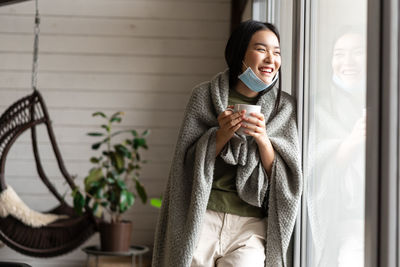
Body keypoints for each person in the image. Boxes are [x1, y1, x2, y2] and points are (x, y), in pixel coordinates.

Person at [152, 20, 302, 267]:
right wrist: (220, 134)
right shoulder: (204, 96)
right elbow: (184, 165)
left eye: (276, 52)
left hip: (250, 226)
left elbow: (287, 175)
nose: (270, 59)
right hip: (203, 217)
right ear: (239, 53)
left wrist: (263, 139)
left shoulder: (283, 108)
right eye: (261, 49)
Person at [309, 29, 366, 267]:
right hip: (347, 221)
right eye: (339, 54)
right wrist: (353, 140)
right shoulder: (317, 106)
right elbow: (313, 167)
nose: (347, 62)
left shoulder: (390, 99)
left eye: (358, 53)